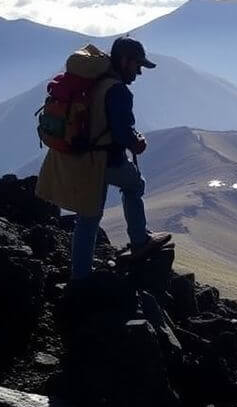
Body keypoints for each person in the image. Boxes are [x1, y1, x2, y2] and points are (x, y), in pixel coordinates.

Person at [36, 35, 171, 278]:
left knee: (88, 218)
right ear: (124, 60)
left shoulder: (95, 81)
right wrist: (136, 142)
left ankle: (80, 279)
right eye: (137, 65)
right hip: (103, 160)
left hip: (79, 157)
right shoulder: (117, 90)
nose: (139, 72)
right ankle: (140, 240)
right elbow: (120, 133)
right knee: (134, 184)